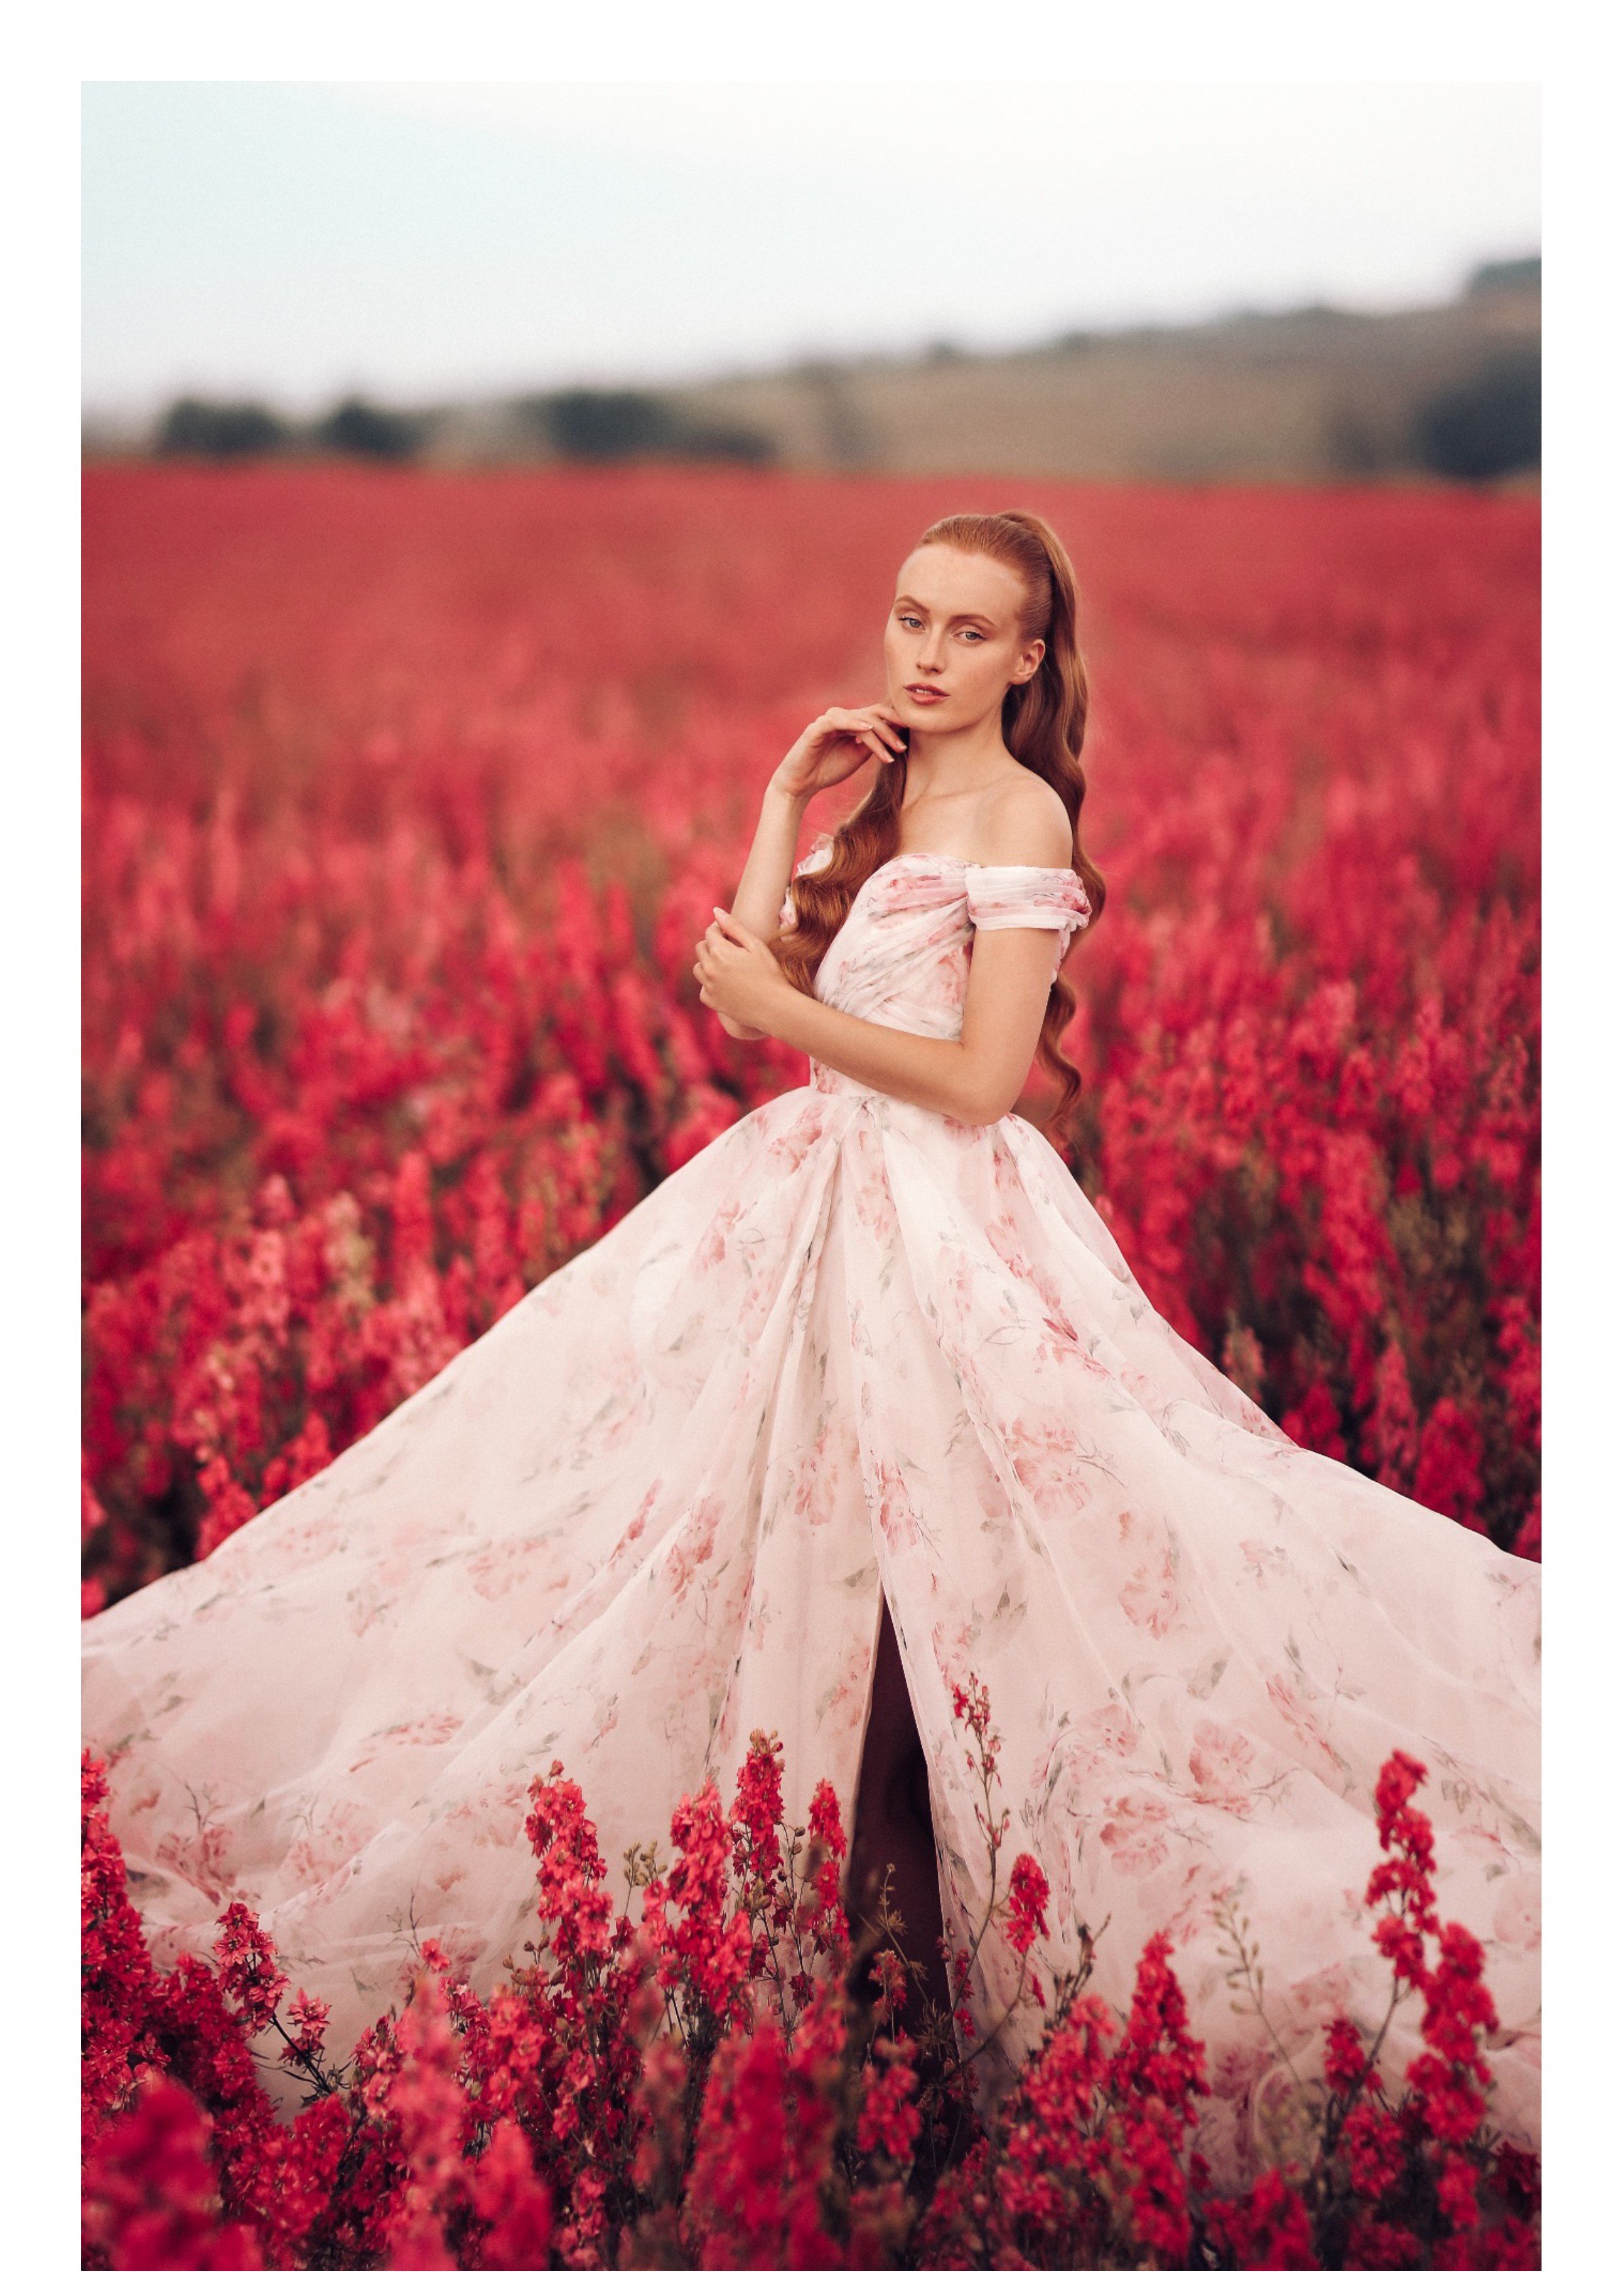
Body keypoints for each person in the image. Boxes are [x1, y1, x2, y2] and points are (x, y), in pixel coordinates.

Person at [82, 511, 1540, 2182]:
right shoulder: (895, 790)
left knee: (929, 1634)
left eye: (967, 631)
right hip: (817, 1216)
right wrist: (784, 809)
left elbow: (982, 1078)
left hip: (940, 1239)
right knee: (808, 1620)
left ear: (1030, 658)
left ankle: (923, 2059)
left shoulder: (1020, 809)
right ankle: (887, 2042)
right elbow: (745, 976)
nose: (922, 654)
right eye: (908, 618)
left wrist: (783, 1015)